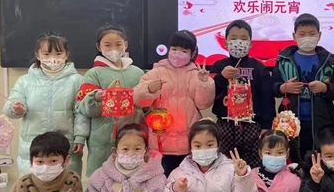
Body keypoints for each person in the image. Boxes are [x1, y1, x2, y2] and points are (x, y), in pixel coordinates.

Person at [3, 32, 89, 176]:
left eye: (58, 53)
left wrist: (80, 137)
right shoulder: (25, 81)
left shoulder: (77, 81)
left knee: (65, 184)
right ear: (38, 55)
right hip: (32, 145)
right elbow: (9, 107)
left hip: (65, 144)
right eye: (47, 54)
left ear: (66, 55)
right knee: (31, 185)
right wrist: (16, 109)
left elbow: (81, 113)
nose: (52, 58)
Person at [134, 30, 215, 176]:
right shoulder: (156, 72)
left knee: (188, 181)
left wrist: (204, 83)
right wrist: (148, 89)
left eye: (184, 51)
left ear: (192, 53)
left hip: (189, 142)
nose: (177, 54)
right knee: (162, 181)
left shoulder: (195, 74)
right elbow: (139, 100)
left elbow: (203, 103)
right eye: (174, 49)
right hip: (161, 142)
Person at [272, 14, 334, 162]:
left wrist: (325, 87)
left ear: (319, 36)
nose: (307, 38)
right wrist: (282, 88)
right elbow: (271, 87)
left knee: (321, 160)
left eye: (312, 34)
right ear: (294, 36)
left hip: (321, 121)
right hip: (290, 122)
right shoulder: (283, 60)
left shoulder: (329, 61)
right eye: (302, 34)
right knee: (293, 161)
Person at [76, 25, 145, 176]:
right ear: (98, 47)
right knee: (101, 179)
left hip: (134, 137)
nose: (114, 49)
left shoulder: (138, 73)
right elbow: (83, 108)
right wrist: (95, 98)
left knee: (134, 178)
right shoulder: (93, 74)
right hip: (103, 139)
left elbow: (146, 106)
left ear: (125, 45)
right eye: (107, 45)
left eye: (118, 44)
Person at [210, 20, 275, 168]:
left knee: (254, 166)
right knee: (224, 166)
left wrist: (266, 126)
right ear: (225, 42)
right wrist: (222, 77)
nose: (238, 42)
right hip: (225, 125)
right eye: (233, 38)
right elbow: (209, 94)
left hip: (253, 126)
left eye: (243, 38)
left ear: (251, 44)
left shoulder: (259, 68)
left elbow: (267, 99)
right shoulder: (218, 66)